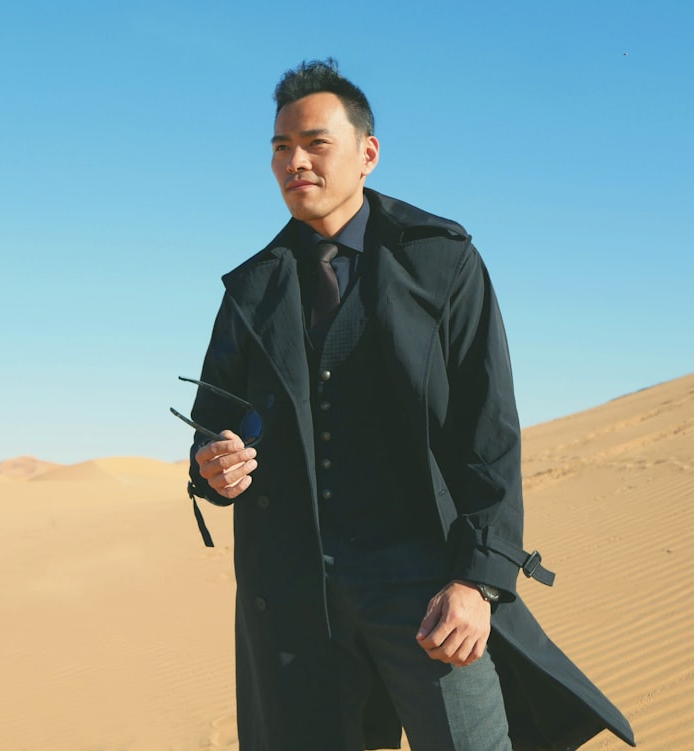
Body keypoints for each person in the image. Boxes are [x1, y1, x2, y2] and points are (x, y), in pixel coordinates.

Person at [182, 59, 635, 751]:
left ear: (367, 153)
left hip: (425, 586)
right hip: (297, 597)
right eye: (280, 147)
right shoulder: (250, 291)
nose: (294, 161)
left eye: (314, 143)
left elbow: (489, 432)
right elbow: (215, 426)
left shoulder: (440, 262)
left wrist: (477, 582)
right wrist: (213, 466)